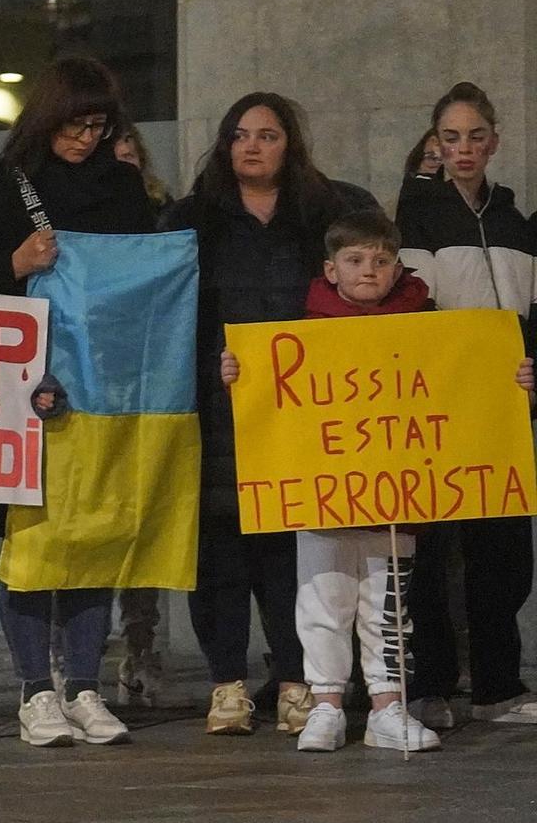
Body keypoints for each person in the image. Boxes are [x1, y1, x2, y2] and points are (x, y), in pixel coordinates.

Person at [221, 208, 531, 751]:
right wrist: (238, 378)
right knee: (322, 600)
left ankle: (389, 706)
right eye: (356, 260)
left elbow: (465, 389)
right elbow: (274, 405)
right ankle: (326, 705)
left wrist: (513, 379)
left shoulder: (428, 326)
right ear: (331, 269)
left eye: (383, 261)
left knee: (388, 606)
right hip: (322, 496)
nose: (370, 270)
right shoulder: (302, 332)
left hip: (397, 499)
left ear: (397, 267)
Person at [0, 57, 151, 749]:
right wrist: (15, 265)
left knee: (94, 532)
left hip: (103, 385)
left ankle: (85, 683)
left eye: (99, 126)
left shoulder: (123, 186)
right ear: (46, 116)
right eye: (74, 124)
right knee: (29, 536)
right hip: (21, 388)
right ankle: (36, 687)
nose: (86, 139)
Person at [162, 94, 355, 736]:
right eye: (239, 135)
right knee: (217, 551)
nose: (252, 146)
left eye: (267, 136)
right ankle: (226, 686)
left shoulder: (327, 213)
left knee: (288, 549)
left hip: (299, 412)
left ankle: (295, 682)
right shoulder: (190, 220)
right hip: (214, 406)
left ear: (289, 146)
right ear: (223, 145)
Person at [398, 81, 537, 724]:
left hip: (506, 408)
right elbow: (409, 310)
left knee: (503, 552)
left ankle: (497, 687)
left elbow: (531, 317)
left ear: (494, 143)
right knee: (430, 552)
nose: (464, 148)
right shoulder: (419, 216)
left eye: (476, 136)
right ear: (435, 143)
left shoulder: (515, 224)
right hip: (438, 405)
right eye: (450, 137)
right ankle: (428, 687)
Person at [107, 122, 170, 707]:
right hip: (100, 378)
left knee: (144, 523)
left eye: (131, 155)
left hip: (150, 382)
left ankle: (141, 644)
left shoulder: (163, 214)